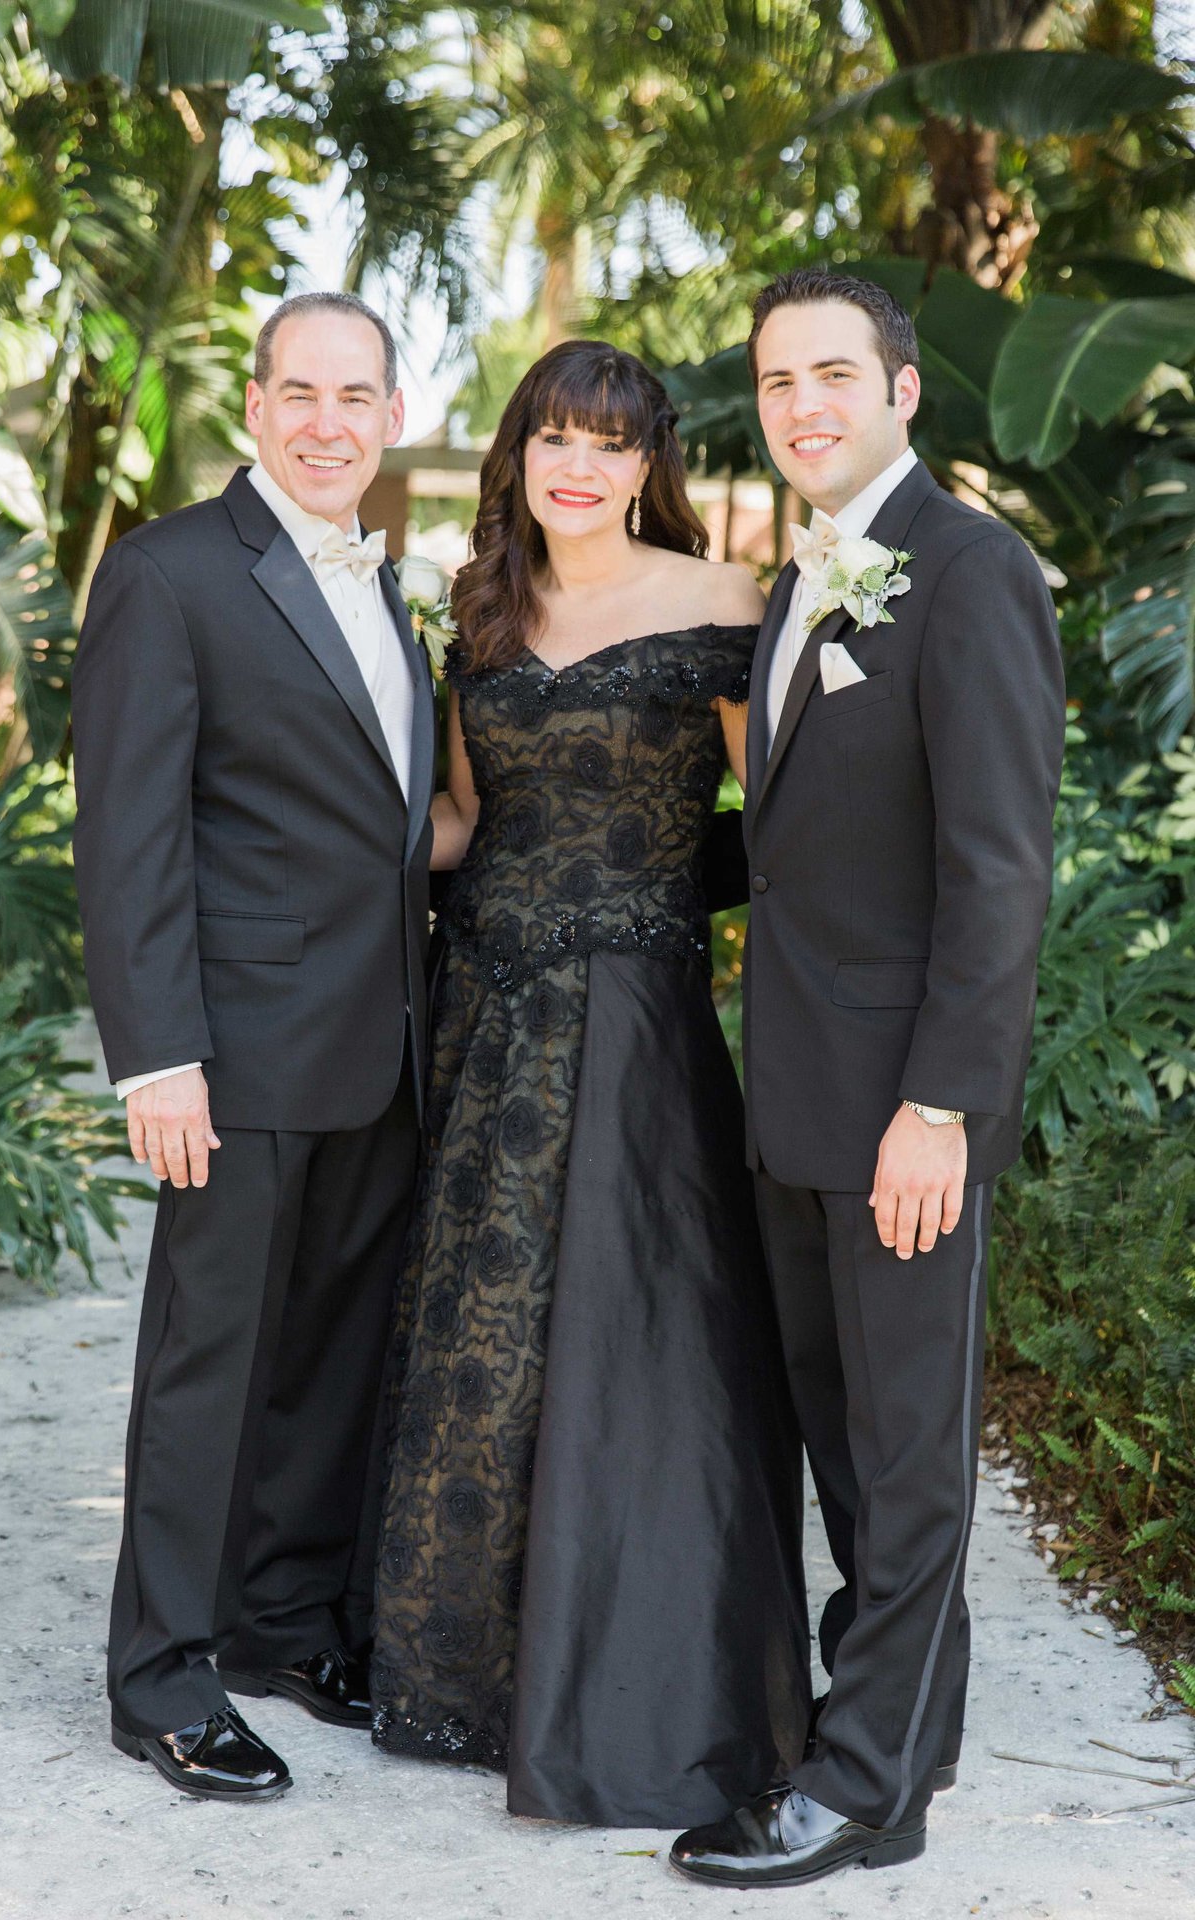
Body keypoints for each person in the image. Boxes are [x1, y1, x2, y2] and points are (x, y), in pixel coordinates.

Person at [368, 339, 812, 1827]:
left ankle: (647, 1686)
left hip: (638, 1026)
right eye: (555, 435)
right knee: (486, 1344)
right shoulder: (479, 611)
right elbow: (464, 823)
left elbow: (791, 830)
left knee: (645, 1335)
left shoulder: (725, 602)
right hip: (491, 1015)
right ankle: (472, 1680)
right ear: (518, 452)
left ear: (649, 465)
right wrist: (306, 848)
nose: (580, 466)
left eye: (610, 444)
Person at [671, 269, 1065, 1887]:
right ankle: (916, 1740)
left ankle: (856, 1787)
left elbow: (997, 872)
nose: (803, 405)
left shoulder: (970, 575)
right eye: (777, 382)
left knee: (905, 1461)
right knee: (849, 1446)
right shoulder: (798, 584)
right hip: (800, 1102)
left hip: (906, 1109)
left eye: (836, 373)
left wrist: (941, 1108)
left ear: (906, 391)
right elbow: (793, 845)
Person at [72, 292, 437, 1802]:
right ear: (255, 405)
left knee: (331, 1362)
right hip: (234, 1053)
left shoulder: (397, 586)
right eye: (301, 393)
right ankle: (160, 1674)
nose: (328, 423)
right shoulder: (168, 574)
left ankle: (283, 1625)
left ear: (394, 415)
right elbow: (130, 834)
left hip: (380, 1045)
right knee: (208, 1366)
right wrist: (159, 1059)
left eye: (356, 397)